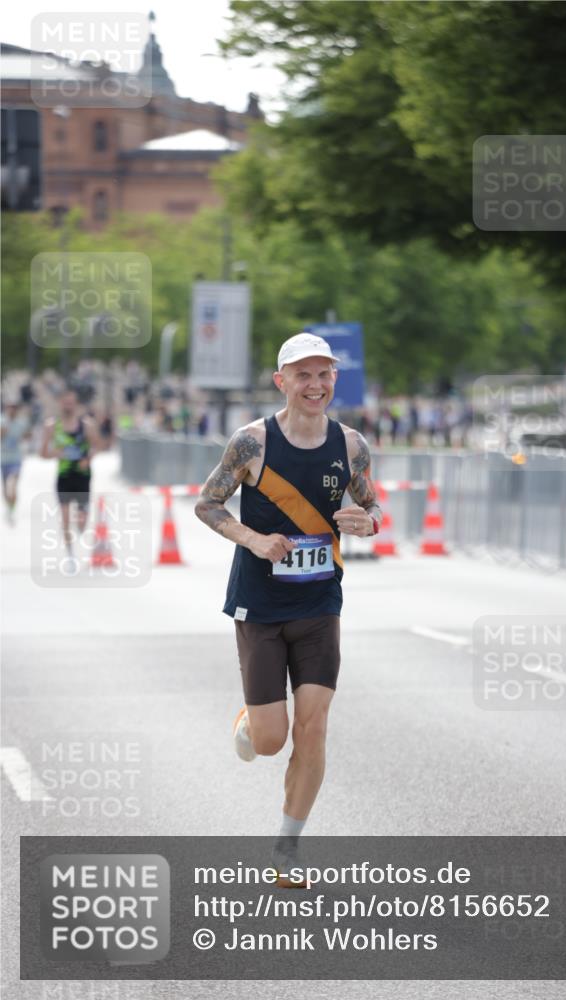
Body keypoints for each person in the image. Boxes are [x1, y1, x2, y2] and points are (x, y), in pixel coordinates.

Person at [195, 332, 383, 887]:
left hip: (321, 601)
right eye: (303, 375)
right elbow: (208, 503)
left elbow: (370, 501)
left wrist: (369, 520)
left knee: (315, 726)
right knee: (272, 740)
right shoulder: (252, 443)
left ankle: (286, 848)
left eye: (324, 374)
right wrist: (252, 539)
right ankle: (252, 721)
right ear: (282, 382)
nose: (315, 384)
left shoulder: (351, 445)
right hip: (261, 602)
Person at [40, 390, 101, 563]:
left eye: (71, 402)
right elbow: (43, 453)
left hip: (82, 476)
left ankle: (83, 520)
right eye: (65, 402)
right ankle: (70, 555)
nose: (68, 406)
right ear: (60, 404)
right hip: (64, 476)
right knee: (65, 517)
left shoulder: (87, 425)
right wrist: (55, 454)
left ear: (76, 404)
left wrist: (88, 459)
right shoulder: (52, 426)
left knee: (81, 522)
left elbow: (97, 446)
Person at [1, 401, 30, 524]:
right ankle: (9, 507)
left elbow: (28, 436)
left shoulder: (21, 423)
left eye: (14, 408)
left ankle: (12, 510)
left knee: (12, 485)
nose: (12, 410)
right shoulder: (2, 421)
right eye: (10, 408)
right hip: (3, 459)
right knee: (5, 488)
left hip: (16, 459)